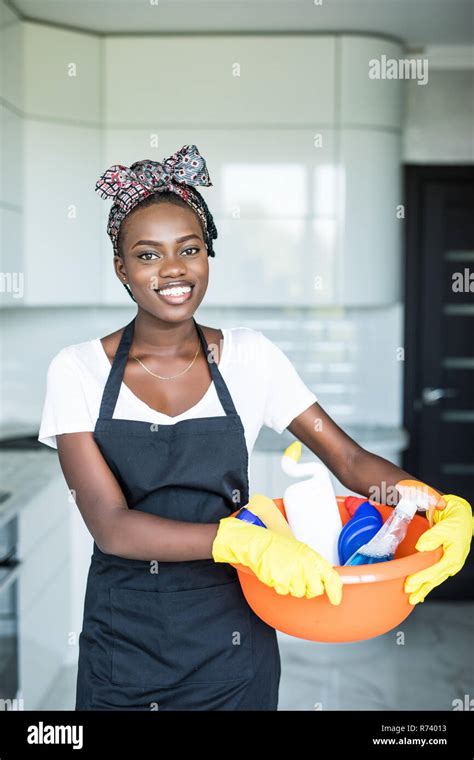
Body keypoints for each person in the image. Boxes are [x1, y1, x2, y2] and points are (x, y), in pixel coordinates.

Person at [38, 144, 472, 711]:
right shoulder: (78, 370)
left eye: (189, 249)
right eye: (148, 255)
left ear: (207, 255)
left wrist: (434, 505)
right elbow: (112, 527)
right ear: (121, 267)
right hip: (125, 647)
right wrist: (236, 540)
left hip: (234, 645)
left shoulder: (252, 358)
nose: (173, 270)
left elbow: (349, 461)